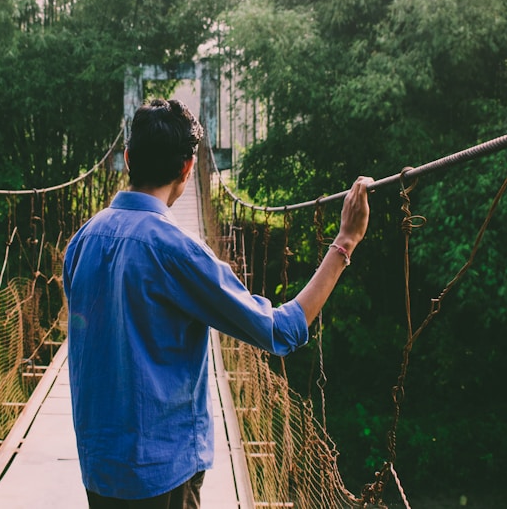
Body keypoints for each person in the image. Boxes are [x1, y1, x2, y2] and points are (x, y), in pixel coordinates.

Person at [63, 98, 372, 508]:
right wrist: (344, 243)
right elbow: (281, 330)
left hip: (99, 469)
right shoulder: (178, 252)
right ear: (188, 169)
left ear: (126, 159)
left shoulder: (82, 241)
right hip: (162, 474)